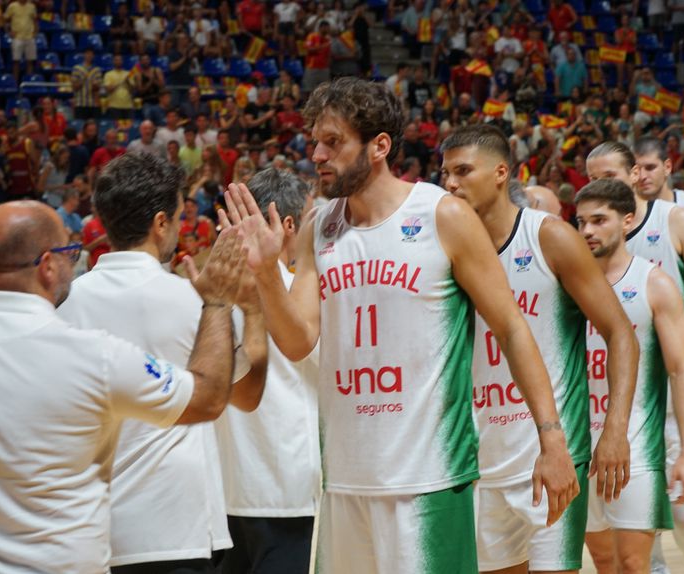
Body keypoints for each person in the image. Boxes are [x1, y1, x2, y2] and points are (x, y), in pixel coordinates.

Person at [232, 77, 579, 573]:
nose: (318, 154)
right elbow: (297, 341)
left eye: (333, 142)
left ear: (379, 146)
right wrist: (267, 274)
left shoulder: (444, 215)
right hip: (346, 482)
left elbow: (512, 329)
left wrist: (552, 439)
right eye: (315, 142)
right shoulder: (319, 227)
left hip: (428, 480)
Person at [0, 198, 246, 572]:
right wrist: (216, 302)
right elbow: (207, 399)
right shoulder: (97, 355)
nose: (74, 262)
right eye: (69, 251)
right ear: (48, 265)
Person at [440, 125, 639, 574]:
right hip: (480, 457)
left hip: (554, 452)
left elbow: (620, 332)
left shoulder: (549, 237)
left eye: (463, 170)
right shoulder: (445, 249)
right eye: (446, 172)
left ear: (499, 173)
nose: (450, 183)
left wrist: (614, 428)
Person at [58, 153, 266, 574]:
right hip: (175, 530)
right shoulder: (196, 300)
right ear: (160, 223)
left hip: (90, 532)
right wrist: (250, 310)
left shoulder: (64, 306)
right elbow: (246, 395)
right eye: (176, 216)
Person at [586, 141, 684, 574]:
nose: (599, 184)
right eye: (592, 176)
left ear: (634, 174)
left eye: (609, 175)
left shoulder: (674, 220)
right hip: (618, 403)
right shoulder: (588, 240)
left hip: (674, 387)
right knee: (630, 532)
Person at [576, 178, 684, 574]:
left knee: (632, 563)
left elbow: (681, 372)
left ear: (627, 220)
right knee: (602, 560)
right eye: (581, 222)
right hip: (580, 446)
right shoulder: (569, 285)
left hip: (637, 446)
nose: (588, 231)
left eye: (599, 220)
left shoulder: (655, 283)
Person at [216, 167, 320, 574]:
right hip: (289, 491)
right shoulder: (305, 287)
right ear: (288, 224)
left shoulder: (212, 287)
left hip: (230, 489)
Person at [634, 136, 684, 215]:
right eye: (636, 170)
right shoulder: (626, 213)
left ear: (667, 167)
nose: (642, 176)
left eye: (650, 168)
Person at [4, 0, 37, 83]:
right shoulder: (12, 6)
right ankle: (15, 83)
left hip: (29, 37)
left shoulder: (32, 6)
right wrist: (8, 31)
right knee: (16, 61)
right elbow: (5, 19)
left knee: (30, 61)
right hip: (17, 38)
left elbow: (35, 20)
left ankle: (29, 82)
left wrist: (35, 33)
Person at [71, 47, 103, 120]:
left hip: (93, 104)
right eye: (87, 54)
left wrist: (95, 85)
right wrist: (82, 80)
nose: (89, 56)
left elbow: (98, 89)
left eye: (91, 54)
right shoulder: (77, 68)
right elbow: (74, 87)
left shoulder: (96, 70)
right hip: (80, 103)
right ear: (84, 55)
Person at [104, 54, 134, 120]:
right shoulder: (108, 74)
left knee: (128, 129)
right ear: (113, 62)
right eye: (116, 60)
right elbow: (108, 90)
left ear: (122, 61)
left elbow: (132, 90)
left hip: (128, 106)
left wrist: (128, 82)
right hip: (114, 106)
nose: (118, 62)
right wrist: (119, 82)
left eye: (120, 60)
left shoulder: (128, 74)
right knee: (116, 128)